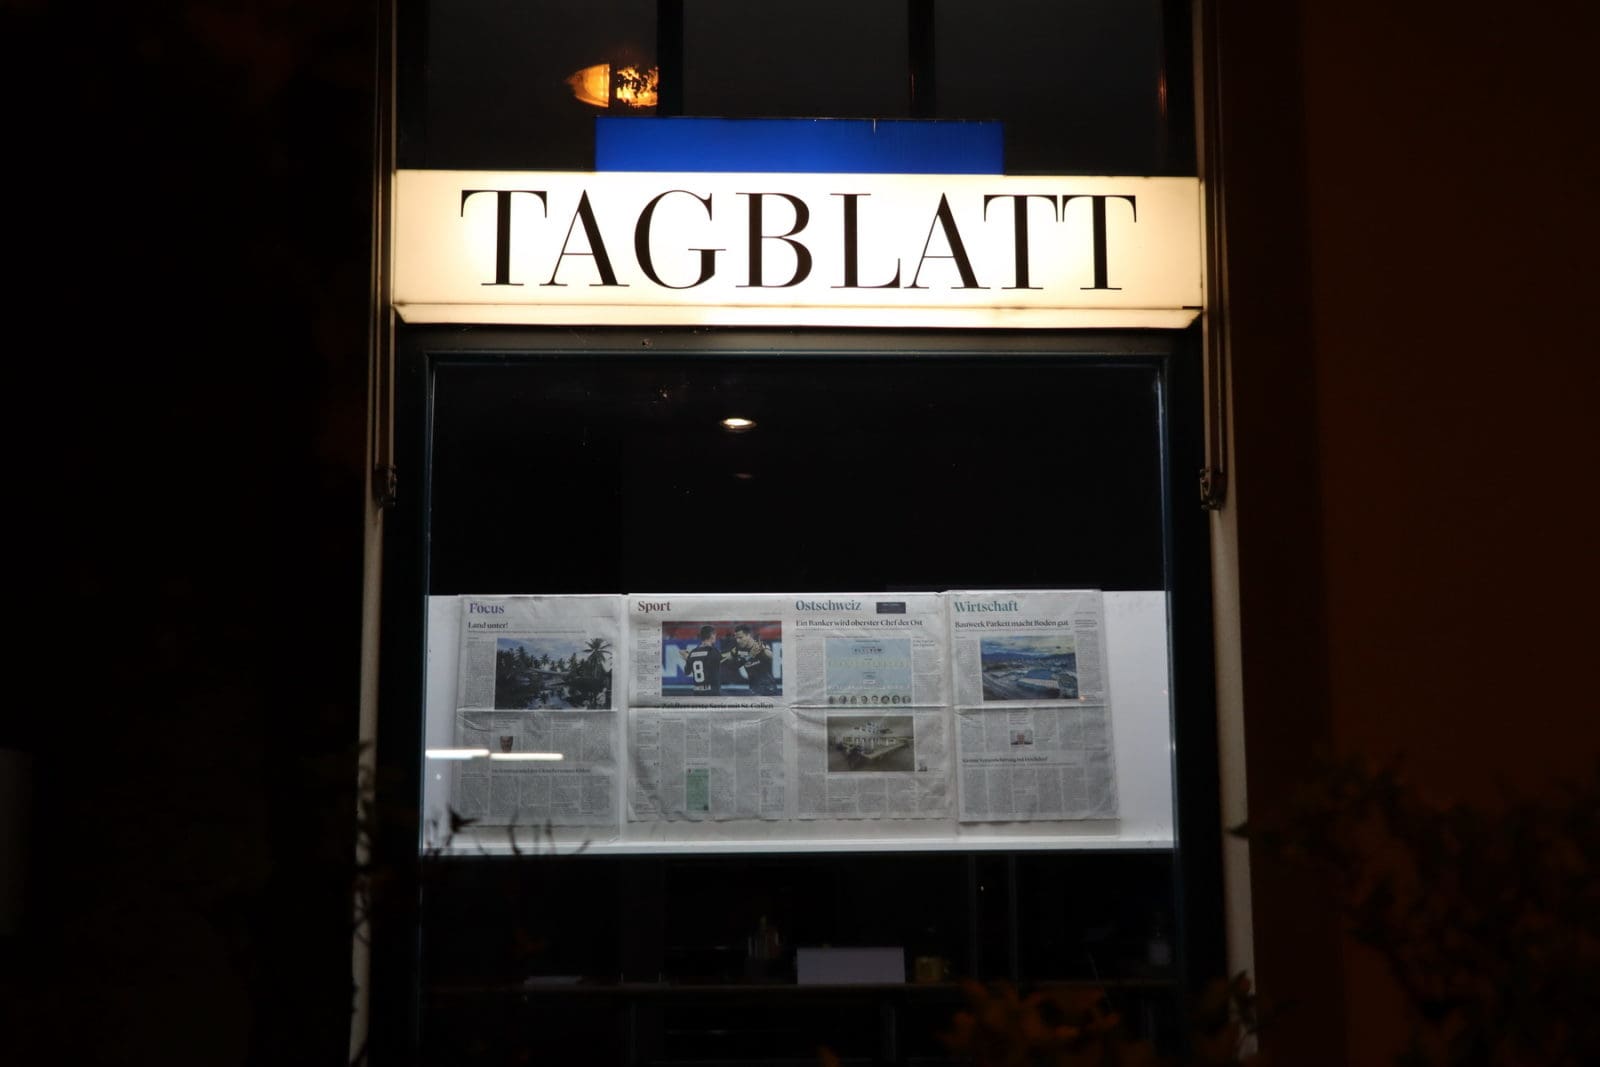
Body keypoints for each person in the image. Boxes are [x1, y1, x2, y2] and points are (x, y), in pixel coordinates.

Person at [730, 624, 778, 695]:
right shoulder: (738, 649)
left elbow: (772, 656)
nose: (738, 641)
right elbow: (734, 666)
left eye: (740, 638)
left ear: (748, 635)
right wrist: (750, 656)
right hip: (754, 689)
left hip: (768, 688)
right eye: (736, 638)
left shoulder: (761, 645)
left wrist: (764, 649)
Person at [679, 624, 725, 696]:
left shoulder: (693, 652)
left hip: (697, 692)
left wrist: (687, 659)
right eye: (715, 635)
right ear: (712, 635)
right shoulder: (713, 651)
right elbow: (726, 663)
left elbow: (687, 672)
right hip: (712, 692)